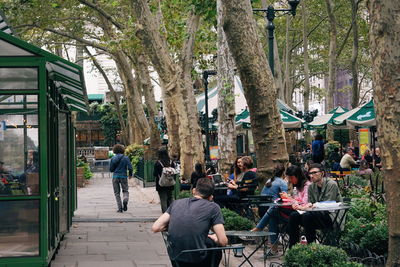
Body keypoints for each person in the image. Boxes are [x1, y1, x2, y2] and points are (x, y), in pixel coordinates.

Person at [152, 178, 228, 267]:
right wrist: (216, 238)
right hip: (198, 260)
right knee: (213, 245)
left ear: (194, 191)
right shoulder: (213, 208)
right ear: (211, 197)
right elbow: (223, 241)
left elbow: (156, 227)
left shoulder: (176, 203)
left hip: (176, 258)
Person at [287, 163, 342, 247]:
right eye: (310, 173)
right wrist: (300, 206)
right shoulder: (312, 186)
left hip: (331, 216)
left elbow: (328, 204)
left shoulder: (331, 184)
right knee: (293, 216)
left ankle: (312, 247)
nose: (312, 176)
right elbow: (310, 203)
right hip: (316, 216)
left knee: (307, 216)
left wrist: (308, 206)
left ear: (322, 173)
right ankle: (293, 248)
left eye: (314, 173)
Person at [109, 144, 133, 213]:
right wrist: (130, 175)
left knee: (117, 193)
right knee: (125, 190)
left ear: (114, 150)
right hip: (123, 176)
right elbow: (130, 168)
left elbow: (111, 169)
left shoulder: (113, 158)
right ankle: (125, 199)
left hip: (115, 176)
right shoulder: (126, 158)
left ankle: (120, 208)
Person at [154, 148, 176, 213]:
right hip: (170, 183)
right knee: (170, 197)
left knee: (163, 199)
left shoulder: (158, 163)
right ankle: (172, 211)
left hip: (161, 184)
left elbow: (155, 174)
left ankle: (165, 213)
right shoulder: (171, 162)